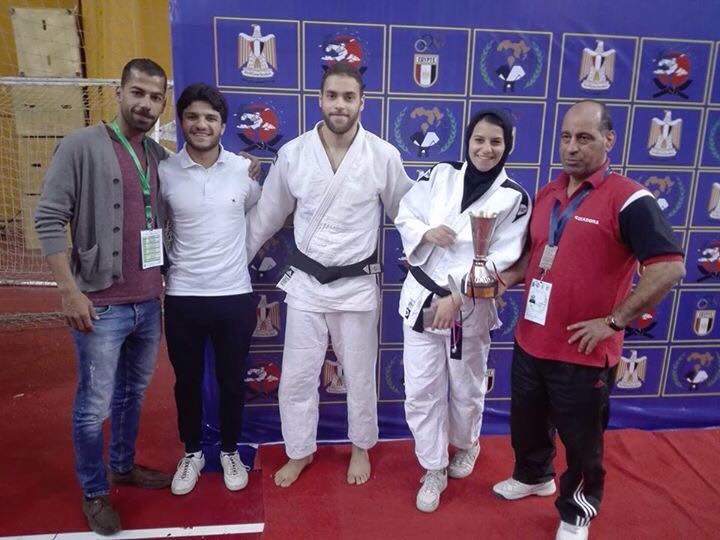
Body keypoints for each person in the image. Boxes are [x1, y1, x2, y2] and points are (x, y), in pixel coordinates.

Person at [491, 100, 685, 540]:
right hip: (531, 339)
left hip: (584, 350)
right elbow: (533, 256)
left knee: (582, 441)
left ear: (608, 140)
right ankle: (533, 476)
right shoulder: (548, 193)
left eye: (584, 138)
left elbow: (669, 267)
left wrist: (614, 322)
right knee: (527, 422)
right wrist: (501, 280)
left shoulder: (629, 198)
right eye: (566, 137)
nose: (572, 147)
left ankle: (577, 510)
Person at [246, 62, 413, 488]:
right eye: (333, 96)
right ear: (320, 100)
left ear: (362, 103)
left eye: (348, 97)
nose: (340, 104)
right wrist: (233, 263)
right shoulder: (294, 154)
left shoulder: (383, 156)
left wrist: (433, 253)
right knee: (297, 377)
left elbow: (407, 214)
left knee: (359, 375)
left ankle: (361, 446)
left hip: (356, 287)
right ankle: (299, 450)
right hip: (305, 285)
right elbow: (267, 215)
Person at [34, 58, 172, 536]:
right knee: (94, 405)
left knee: (133, 394)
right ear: (118, 91)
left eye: (155, 97)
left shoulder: (158, 157)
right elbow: (48, 217)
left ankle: (123, 466)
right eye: (138, 92)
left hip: (147, 304)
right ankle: (94, 491)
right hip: (100, 304)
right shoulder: (80, 146)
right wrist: (68, 292)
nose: (146, 104)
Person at [395, 109, 530, 512]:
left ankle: (467, 444)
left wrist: (457, 297)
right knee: (421, 388)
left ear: (507, 146)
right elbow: (405, 212)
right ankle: (433, 467)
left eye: (496, 142)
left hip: (467, 306)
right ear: (467, 140)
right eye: (479, 140)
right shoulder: (440, 174)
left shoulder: (514, 197)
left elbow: (504, 257)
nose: (486, 149)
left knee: (466, 386)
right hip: (423, 298)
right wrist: (425, 232)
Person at [158, 83, 260, 495]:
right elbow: (155, 224)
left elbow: (256, 213)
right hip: (182, 296)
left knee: (232, 380)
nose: (201, 124)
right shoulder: (165, 171)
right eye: (193, 117)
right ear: (182, 121)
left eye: (210, 118)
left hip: (234, 295)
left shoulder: (243, 170)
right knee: (186, 381)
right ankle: (193, 452)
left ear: (223, 125)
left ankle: (230, 450)